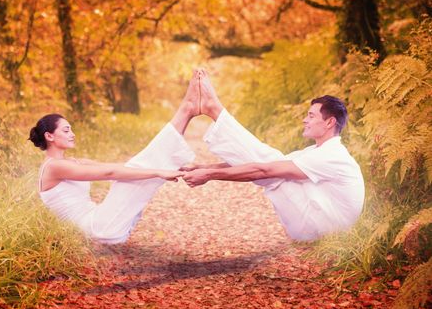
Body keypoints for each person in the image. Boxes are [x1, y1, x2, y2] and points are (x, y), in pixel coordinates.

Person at [182, 69, 365, 240]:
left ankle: (215, 109)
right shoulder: (319, 151)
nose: (304, 120)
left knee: (273, 169)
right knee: (275, 162)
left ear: (329, 122)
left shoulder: (332, 155)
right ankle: (215, 110)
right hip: (318, 221)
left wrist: (209, 175)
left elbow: (264, 170)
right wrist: (204, 168)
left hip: (321, 228)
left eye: (311, 116)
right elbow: (266, 165)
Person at [29, 72, 205, 244]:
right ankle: (187, 109)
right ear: (49, 136)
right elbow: (109, 173)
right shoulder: (54, 167)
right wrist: (158, 171)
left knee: (136, 167)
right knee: (136, 173)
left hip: (101, 224)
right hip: (97, 228)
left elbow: (119, 166)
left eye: (71, 129)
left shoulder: (72, 162)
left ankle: (187, 111)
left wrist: (160, 169)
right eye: (66, 130)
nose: (72, 134)